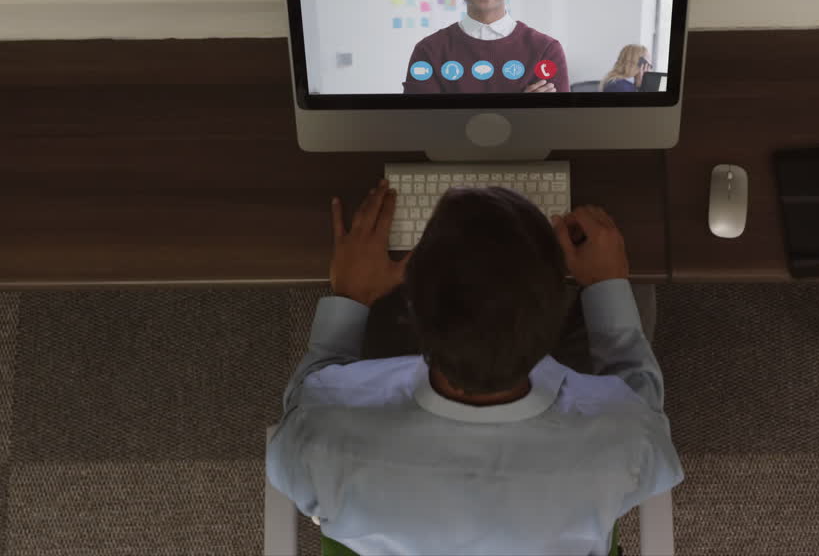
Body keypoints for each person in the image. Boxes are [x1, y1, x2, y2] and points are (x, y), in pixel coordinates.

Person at [267, 179, 684, 556]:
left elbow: (308, 402)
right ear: (555, 313)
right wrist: (606, 285)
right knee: (634, 290)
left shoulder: (321, 438)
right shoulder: (625, 441)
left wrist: (351, 297)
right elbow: (641, 405)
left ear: (410, 309)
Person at [403, 0, 570, 95]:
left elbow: (558, 115)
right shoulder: (429, 50)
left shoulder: (545, 49)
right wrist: (522, 107)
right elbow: (420, 115)